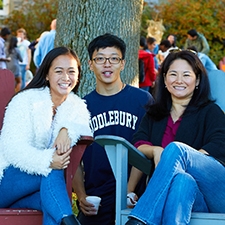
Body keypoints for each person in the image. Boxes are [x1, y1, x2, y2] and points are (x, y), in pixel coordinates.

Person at [125, 50, 225, 225]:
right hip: (188, 195)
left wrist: (182, 161)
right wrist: (156, 150)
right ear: (164, 80)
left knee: (176, 149)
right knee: (182, 180)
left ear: (197, 80)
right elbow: (139, 142)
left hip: (215, 193)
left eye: (186, 75)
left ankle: (139, 219)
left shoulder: (211, 112)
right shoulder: (155, 114)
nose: (179, 80)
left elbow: (219, 144)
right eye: (173, 74)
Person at [0, 46, 92, 225]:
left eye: (71, 71)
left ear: (78, 75)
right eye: (59, 71)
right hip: (6, 182)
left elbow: (84, 126)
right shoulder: (24, 101)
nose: (66, 78)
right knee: (53, 169)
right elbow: (13, 150)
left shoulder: (76, 106)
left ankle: (67, 220)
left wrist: (67, 129)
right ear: (47, 75)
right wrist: (48, 161)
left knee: (51, 205)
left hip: (35, 192)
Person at [72, 33, 154, 225]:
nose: (107, 64)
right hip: (96, 199)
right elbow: (75, 157)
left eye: (114, 59)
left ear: (123, 64)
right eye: (100, 59)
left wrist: (129, 190)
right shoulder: (80, 107)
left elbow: (147, 149)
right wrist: (82, 196)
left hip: (133, 197)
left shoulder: (142, 101)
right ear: (91, 65)